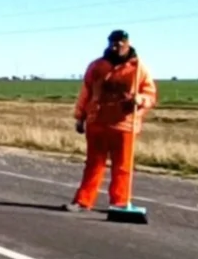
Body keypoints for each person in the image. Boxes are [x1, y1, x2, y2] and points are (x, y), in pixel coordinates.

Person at [64, 29, 158, 212]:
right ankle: (83, 201)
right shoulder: (97, 66)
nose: (115, 46)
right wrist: (79, 117)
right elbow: (86, 92)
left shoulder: (139, 68)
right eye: (112, 43)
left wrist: (140, 100)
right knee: (93, 165)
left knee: (123, 166)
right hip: (97, 121)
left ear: (127, 43)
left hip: (124, 124)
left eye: (120, 43)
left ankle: (120, 203)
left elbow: (150, 95)